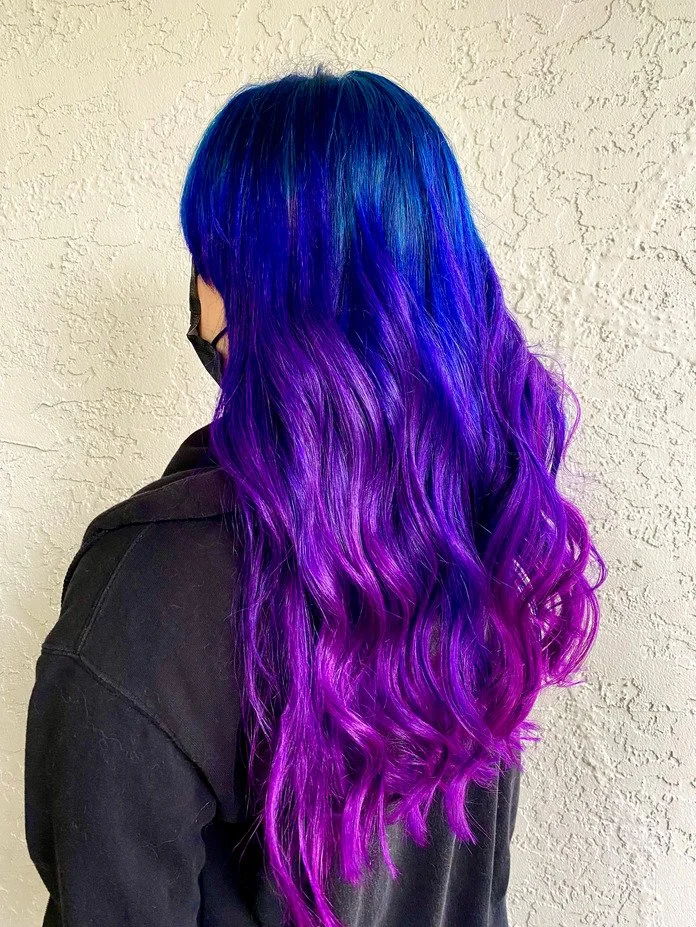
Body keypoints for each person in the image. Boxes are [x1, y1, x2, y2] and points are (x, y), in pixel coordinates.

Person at [24, 66, 606, 927]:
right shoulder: (476, 533)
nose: (198, 297)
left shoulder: (146, 591)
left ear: (255, 292)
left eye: (209, 259)